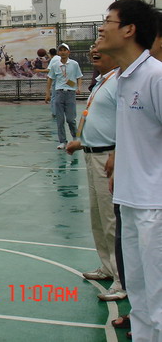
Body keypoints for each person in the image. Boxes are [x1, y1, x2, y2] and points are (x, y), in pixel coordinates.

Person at [96, 0, 162, 341]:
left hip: (155, 205)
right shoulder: (122, 78)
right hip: (130, 200)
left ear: (129, 29)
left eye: (108, 20)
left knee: (159, 299)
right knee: (139, 297)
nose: (102, 27)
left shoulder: (156, 76)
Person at [66, 45, 124, 301]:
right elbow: (95, 117)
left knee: (111, 219)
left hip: (107, 157)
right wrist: (81, 140)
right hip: (92, 154)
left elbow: (128, 121)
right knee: (98, 217)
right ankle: (107, 267)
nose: (94, 52)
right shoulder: (102, 82)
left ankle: (122, 279)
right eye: (92, 50)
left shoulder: (120, 81)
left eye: (100, 49)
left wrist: (118, 152)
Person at [45, 43, 83, 149]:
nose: (62, 52)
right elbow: (50, 79)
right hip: (59, 93)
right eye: (60, 50)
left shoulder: (74, 64)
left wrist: (79, 87)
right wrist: (47, 93)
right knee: (60, 119)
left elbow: (79, 77)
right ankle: (62, 141)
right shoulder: (55, 65)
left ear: (68, 52)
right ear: (58, 52)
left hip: (70, 93)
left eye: (64, 50)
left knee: (71, 119)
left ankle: (76, 138)